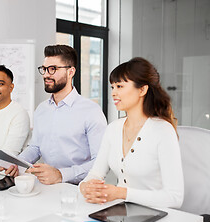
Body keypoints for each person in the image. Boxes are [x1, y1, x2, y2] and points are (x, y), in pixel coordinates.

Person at [79, 57, 184, 208]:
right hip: (121, 213)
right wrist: (85, 187)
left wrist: (121, 193)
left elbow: (175, 198)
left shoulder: (163, 131)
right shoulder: (113, 128)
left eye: (120, 86)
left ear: (142, 89)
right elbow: (95, 174)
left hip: (157, 216)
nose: (114, 92)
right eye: (112, 87)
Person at [3, 45, 107, 185]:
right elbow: (36, 147)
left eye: (53, 69)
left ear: (71, 72)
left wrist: (61, 175)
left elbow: (101, 161)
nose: (46, 74)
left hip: (80, 190)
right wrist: (17, 164)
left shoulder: (91, 111)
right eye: (44, 69)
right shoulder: (41, 109)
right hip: (47, 188)